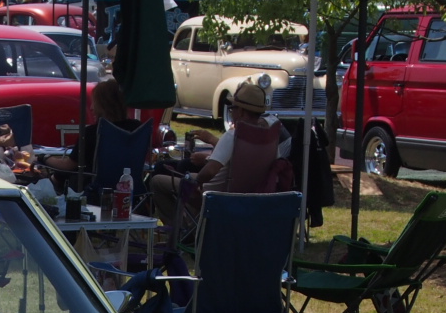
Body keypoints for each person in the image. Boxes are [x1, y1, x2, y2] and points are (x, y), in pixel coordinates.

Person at [150, 80, 292, 225]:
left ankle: (181, 232)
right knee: (188, 176)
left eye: (232, 108)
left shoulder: (235, 135)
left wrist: (196, 181)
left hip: (217, 197)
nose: (231, 112)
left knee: (158, 181)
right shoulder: (269, 136)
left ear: (241, 111)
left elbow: (210, 172)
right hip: (251, 198)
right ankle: (194, 227)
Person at [44, 79, 140, 177]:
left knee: (60, 176)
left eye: (94, 103)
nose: (91, 108)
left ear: (103, 106)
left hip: (97, 186)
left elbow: (67, 166)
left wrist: (45, 158)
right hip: (131, 184)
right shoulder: (137, 129)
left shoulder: (93, 133)